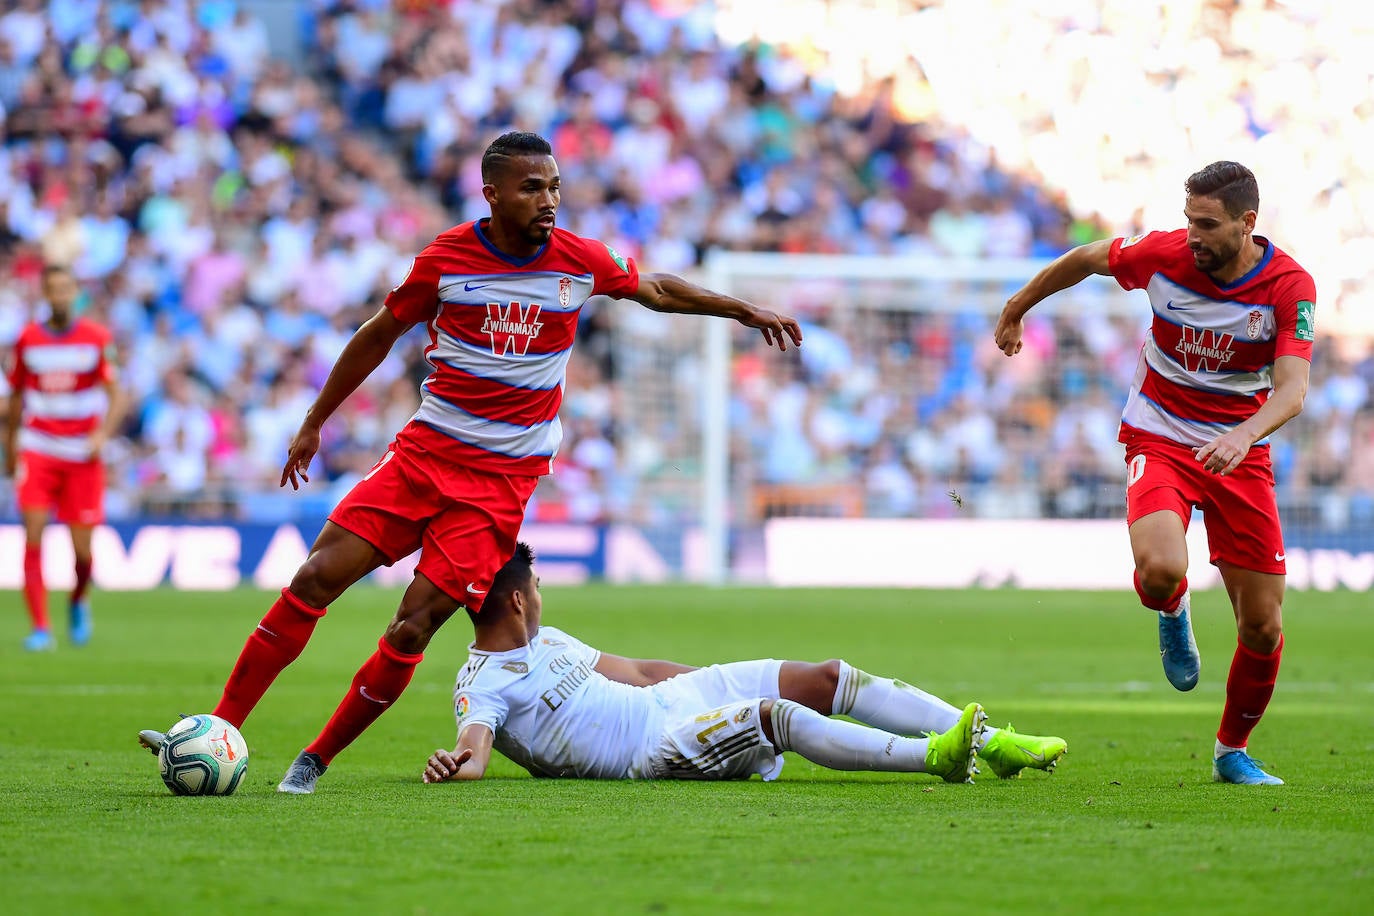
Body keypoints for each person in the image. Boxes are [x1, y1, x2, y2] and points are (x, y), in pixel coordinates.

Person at [138, 131, 804, 793]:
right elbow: (378, 335)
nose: (548, 200)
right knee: (315, 578)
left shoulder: (578, 261)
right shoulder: (448, 260)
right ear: (491, 194)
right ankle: (217, 727)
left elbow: (654, 288)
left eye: (554, 187)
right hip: (422, 459)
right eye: (531, 187)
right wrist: (315, 422)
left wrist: (743, 310)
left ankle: (314, 761)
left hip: (497, 488)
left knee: (413, 623)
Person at [993, 161, 1315, 786]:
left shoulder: (1288, 286)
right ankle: (1173, 611)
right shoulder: (1166, 254)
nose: (1192, 234)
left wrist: (1243, 436)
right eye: (1188, 219)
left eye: (1207, 223)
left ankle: (1231, 752)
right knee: (1163, 567)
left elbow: (1294, 391)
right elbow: (1087, 258)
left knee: (1264, 623)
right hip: (1161, 433)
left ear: (1248, 223)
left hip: (1239, 450)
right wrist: (1017, 307)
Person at [423, 543, 1067, 785]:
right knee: (776, 716)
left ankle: (994, 740)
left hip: (672, 703)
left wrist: (710, 684)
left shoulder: (551, 640)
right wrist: (456, 764)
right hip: (654, 747)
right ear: (516, 598)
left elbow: (641, 672)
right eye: (535, 586)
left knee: (828, 677)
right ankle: (936, 756)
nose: (541, 595)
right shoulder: (482, 686)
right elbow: (474, 751)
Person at [4, 264, 124, 651]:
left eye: (65, 289)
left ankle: (77, 599)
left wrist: (102, 434)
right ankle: (41, 627)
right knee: (33, 537)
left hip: (81, 456)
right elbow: (17, 400)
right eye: (53, 289)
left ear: (75, 293)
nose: (59, 296)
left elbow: (117, 395)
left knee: (83, 552)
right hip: (38, 449)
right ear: (45, 294)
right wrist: (11, 451)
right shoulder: (28, 340)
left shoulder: (95, 338)